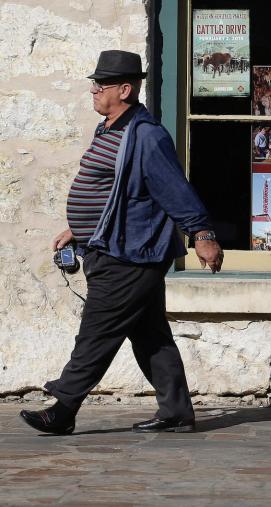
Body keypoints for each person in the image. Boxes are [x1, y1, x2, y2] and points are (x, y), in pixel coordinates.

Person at [18, 50, 223, 436]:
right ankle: (177, 412)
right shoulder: (111, 129)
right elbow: (114, 192)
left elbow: (174, 190)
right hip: (110, 245)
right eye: (94, 83)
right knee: (150, 335)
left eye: (101, 84)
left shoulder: (146, 136)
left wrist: (202, 234)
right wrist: (79, 229)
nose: (94, 90)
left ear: (125, 89)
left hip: (132, 253)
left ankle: (62, 408)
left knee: (97, 330)